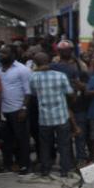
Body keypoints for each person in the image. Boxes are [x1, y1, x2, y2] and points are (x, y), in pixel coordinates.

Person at [28, 52, 75, 180]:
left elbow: (33, 94)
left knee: (45, 145)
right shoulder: (60, 76)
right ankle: (65, 170)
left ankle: (45, 170)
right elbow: (70, 93)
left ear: (35, 63)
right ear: (49, 60)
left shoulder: (33, 77)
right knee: (64, 144)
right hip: (61, 115)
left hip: (44, 117)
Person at [51, 40, 89, 167]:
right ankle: (68, 161)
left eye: (68, 50)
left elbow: (86, 84)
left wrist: (80, 85)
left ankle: (81, 159)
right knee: (64, 135)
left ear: (72, 50)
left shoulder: (80, 65)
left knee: (80, 134)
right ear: (59, 51)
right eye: (62, 50)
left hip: (78, 104)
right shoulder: (54, 65)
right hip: (61, 104)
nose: (65, 52)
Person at [0, 45, 32, 174]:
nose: (1, 55)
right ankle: (8, 164)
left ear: (13, 55)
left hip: (17, 109)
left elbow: (28, 91)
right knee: (6, 140)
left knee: (21, 139)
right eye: (1, 52)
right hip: (2, 110)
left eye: (5, 53)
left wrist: (24, 108)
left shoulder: (22, 69)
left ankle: (24, 165)